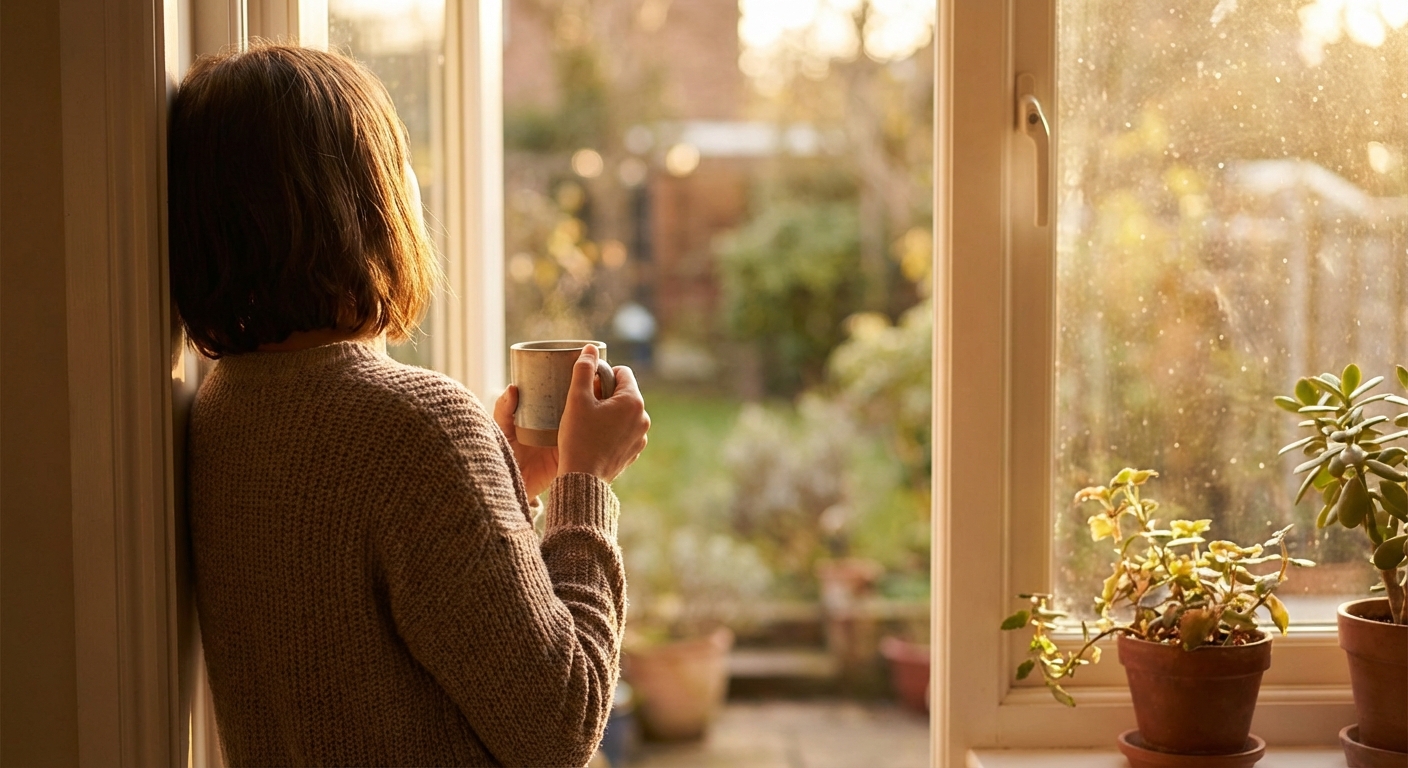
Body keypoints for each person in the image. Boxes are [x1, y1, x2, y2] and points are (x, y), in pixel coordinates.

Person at [169, 43, 649, 767]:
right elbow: (561, 728)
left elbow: (364, 651)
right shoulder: (419, 426)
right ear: (369, 203)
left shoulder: (223, 408)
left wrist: (506, 481)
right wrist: (586, 485)